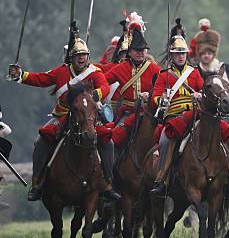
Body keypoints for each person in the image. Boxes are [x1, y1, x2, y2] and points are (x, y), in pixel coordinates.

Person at [7, 23, 119, 201]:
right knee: (40, 141)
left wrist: (93, 96)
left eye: (84, 55)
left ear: (88, 57)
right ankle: (37, 182)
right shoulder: (61, 72)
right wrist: (20, 75)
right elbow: (41, 79)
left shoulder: (95, 73)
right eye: (78, 56)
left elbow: (104, 87)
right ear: (72, 58)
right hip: (61, 116)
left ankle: (107, 183)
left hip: (86, 118)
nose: (81, 59)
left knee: (108, 142)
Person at [150, 32, 204, 196]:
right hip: (174, 116)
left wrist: (200, 94)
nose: (180, 57)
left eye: (182, 53)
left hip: (195, 114)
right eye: (177, 54)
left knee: (222, 133)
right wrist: (162, 99)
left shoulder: (194, 72)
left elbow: (203, 90)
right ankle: (162, 180)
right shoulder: (164, 75)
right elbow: (155, 97)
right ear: (172, 56)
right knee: (165, 141)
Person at [105, 13, 161, 147]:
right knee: (112, 141)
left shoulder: (155, 69)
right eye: (136, 50)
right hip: (128, 113)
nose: (140, 52)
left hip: (149, 114)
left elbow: (165, 86)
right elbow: (103, 81)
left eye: (143, 50)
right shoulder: (120, 68)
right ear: (129, 51)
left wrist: (151, 95)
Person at [192, 18, 229, 118]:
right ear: (199, 55)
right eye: (203, 53)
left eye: (209, 53)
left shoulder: (227, 70)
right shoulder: (194, 70)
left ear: (214, 54)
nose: (206, 56)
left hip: (226, 110)